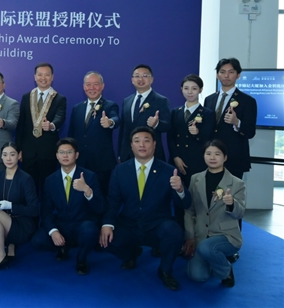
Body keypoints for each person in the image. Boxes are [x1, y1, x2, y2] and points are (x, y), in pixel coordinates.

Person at [100, 126, 191, 291]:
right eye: (137, 141)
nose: (141, 145)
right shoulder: (120, 170)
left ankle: (165, 270)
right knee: (104, 237)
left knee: (175, 232)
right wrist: (107, 224)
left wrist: (180, 190)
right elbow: (113, 201)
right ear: (131, 145)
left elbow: (185, 204)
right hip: (129, 223)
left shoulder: (169, 171)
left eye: (146, 141)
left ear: (154, 145)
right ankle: (132, 254)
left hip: (157, 224)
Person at [31, 138, 105, 275]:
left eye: (69, 152)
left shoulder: (89, 176)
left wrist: (87, 191)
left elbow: (100, 208)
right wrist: (53, 231)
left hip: (83, 223)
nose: (65, 156)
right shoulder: (50, 180)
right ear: (57, 156)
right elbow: (46, 210)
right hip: (62, 224)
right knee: (37, 241)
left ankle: (81, 259)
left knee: (89, 231)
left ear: (76, 155)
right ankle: (62, 247)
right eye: (62, 152)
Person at [184, 140, 245, 288]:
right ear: (203, 156)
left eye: (217, 154)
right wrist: (190, 237)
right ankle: (214, 260)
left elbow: (240, 213)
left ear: (225, 157)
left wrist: (231, 203)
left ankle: (226, 272)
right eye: (208, 153)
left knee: (206, 248)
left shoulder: (236, 183)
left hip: (226, 236)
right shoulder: (195, 179)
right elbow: (189, 210)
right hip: (201, 235)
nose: (212, 157)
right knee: (197, 276)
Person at [0, 143, 38, 271]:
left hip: (21, 224)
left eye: (12, 154)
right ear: (1, 157)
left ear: (19, 156)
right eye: (5, 155)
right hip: (1, 222)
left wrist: (11, 206)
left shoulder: (26, 179)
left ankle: (0, 254)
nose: (8, 158)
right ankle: (9, 243)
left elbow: (34, 209)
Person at [167, 74, 215, 229]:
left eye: (194, 88)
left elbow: (209, 139)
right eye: (186, 88)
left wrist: (197, 134)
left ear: (200, 90)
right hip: (177, 162)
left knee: (197, 200)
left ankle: (196, 234)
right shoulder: (176, 112)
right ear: (181, 89)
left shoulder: (207, 113)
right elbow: (170, 137)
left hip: (196, 163)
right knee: (178, 199)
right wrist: (175, 157)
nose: (190, 92)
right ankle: (180, 232)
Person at [16, 62, 67, 195]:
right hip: (28, 152)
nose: (43, 78)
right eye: (40, 75)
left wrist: (51, 125)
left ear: (52, 77)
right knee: (28, 190)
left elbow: (60, 117)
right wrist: (19, 149)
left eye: (47, 75)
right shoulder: (27, 97)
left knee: (47, 190)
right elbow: (21, 125)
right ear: (35, 77)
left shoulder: (59, 98)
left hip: (48, 152)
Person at [203, 58, 257, 180]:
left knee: (231, 192)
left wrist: (237, 122)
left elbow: (250, 132)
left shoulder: (247, 101)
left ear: (238, 75)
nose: (226, 75)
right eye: (222, 72)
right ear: (217, 75)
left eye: (231, 72)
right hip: (211, 158)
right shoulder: (209, 99)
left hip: (234, 158)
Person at [67, 71, 119, 196]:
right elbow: (71, 134)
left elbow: (116, 119)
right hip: (80, 162)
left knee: (100, 196)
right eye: (88, 84)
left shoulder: (110, 106)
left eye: (96, 84)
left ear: (102, 86)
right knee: (79, 197)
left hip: (101, 163)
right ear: (84, 87)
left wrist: (110, 122)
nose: (92, 88)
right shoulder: (77, 108)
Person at [118, 64, 171, 162]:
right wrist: (120, 154)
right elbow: (123, 130)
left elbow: (168, 125)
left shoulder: (161, 100)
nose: (140, 79)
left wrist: (157, 124)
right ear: (132, 80)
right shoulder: (127, 101)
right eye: (137, 76)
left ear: (152, 79)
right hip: (127, 155)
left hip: (151, 154)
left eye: (145, 76)